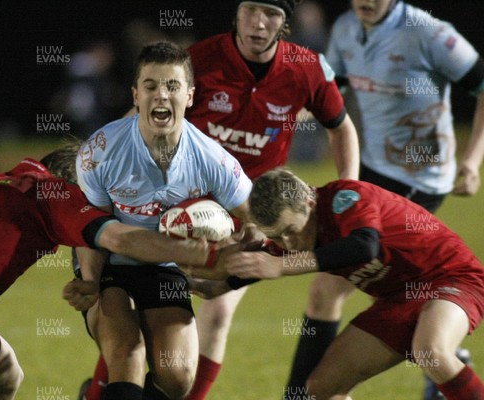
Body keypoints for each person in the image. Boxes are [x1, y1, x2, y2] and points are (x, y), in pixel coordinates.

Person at [0, 144, 237, 400]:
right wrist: (197, 253)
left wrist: (91, 277)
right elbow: (119, 239)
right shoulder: (58, 198)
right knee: (7, 377)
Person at [284, 0, 484, 398]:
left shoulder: (427, 30)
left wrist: (473, 160)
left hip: (421, 172)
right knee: (332, 289)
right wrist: (274, 116)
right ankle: (440, 352)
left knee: (343, 280)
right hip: (372, 169)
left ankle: (438, 353)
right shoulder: (344, 29)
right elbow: (328, 98)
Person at [183, 1, 360, 398]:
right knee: (139, 303)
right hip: (183, 202)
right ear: (236, 11)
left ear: (285, 22)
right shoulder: (199, 60)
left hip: (250, 213)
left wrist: (350, 192)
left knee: (216, 311)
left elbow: (341, 126)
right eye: (251, 9)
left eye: (272, 13)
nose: (259, 23)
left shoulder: (306, 67)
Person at [191, 167, 484, 400]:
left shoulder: (347, 198)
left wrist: (280, 265)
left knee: (430, 350)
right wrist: (196, 279)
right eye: (278, 236)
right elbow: (235, 277)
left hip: (452, 278)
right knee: (321, 387)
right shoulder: (293, 236)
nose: (289, 242)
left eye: (292, 231)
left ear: (309, 202)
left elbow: (363, 246)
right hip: (398, 300)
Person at [74, 41, 253, 400]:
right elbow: (86, 227)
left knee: (178, 376)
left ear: (189, 96)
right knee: (128, 355)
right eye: (151, 86)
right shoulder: (100, 151)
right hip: (110, 263)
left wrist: (225, 271)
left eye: (172, 86)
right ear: (136, 95)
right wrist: (91, 282)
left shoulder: (213, 160)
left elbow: (254, 223)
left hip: (165, 270)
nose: (161, 95)